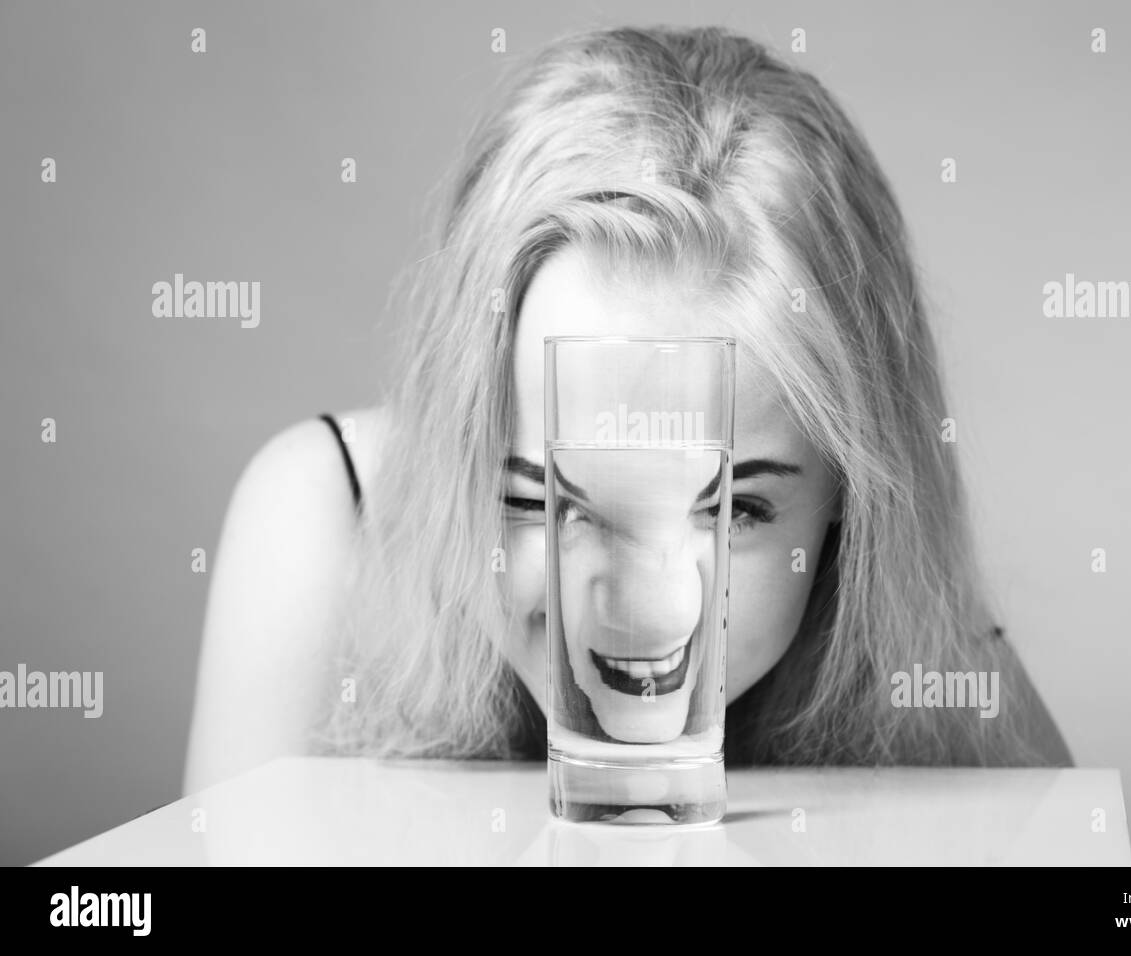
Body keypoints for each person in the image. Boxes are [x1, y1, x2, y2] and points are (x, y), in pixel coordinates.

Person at [183, 24, 1070, 795]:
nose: (645, 609)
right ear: (458, 441)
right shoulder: (327, 508)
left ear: (854, 499)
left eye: (738, 509)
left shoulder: (898, 618)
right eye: (536, 501)